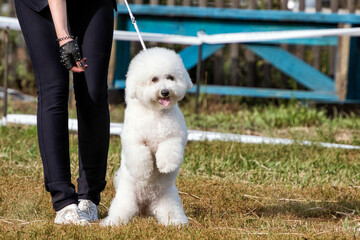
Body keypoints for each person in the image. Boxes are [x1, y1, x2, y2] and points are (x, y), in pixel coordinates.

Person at [14, 0, 117, 224]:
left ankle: (89, 197)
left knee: (94, 91)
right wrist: (63, 35)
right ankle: (64, 201)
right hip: (41, 5)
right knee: (54, 89)